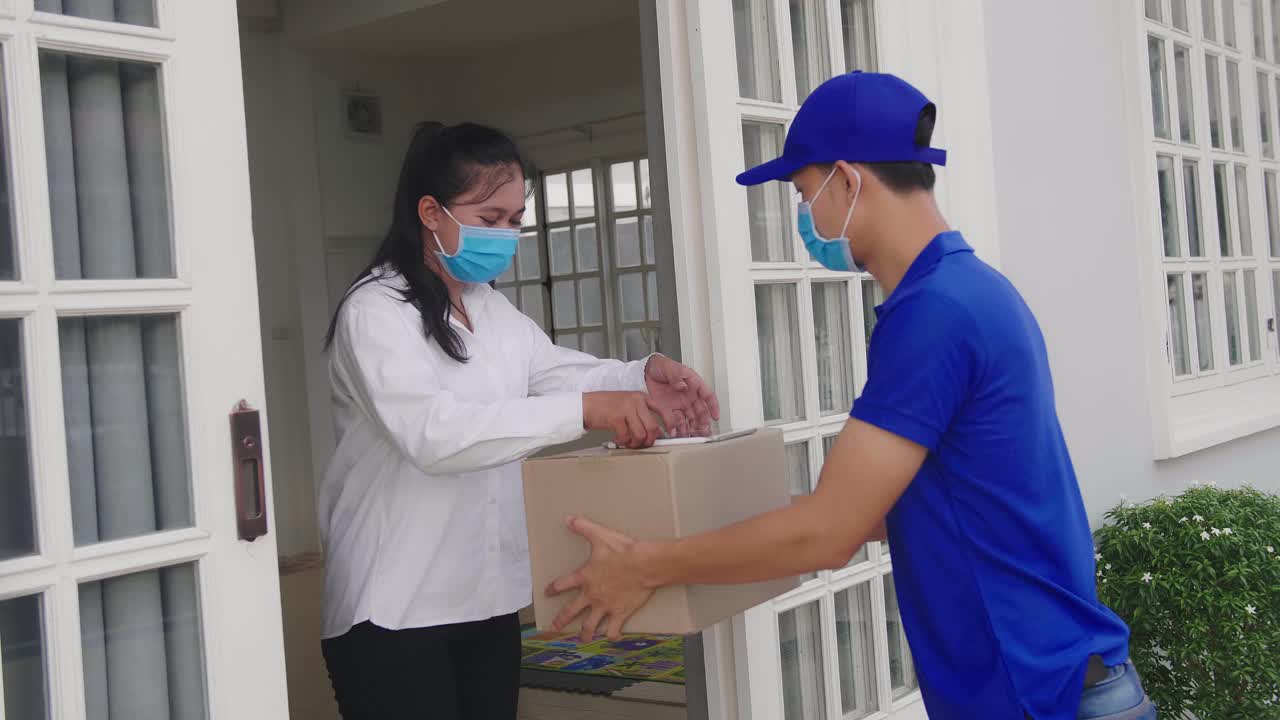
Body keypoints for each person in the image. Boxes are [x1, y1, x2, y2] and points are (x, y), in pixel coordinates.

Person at [546, 73, 1157, 720]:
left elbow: (829, 535)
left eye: (802, 193)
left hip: (1036, 695)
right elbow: (879, 513)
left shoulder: (934, 314)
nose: (805, 217)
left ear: (846, 180)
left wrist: (646, 566)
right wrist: (678, 526)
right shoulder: (969, 289)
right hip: (1053, 681)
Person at [318, 121, 719, 720]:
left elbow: (557, 372)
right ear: (430, 212)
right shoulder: (376, 310)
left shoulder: (490, 308)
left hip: (484, 598)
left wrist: (642, 377)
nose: (506, 235)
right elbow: (435, 435)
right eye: (489, 218)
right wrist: (588, 410)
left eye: (515, 220)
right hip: (394, 605)